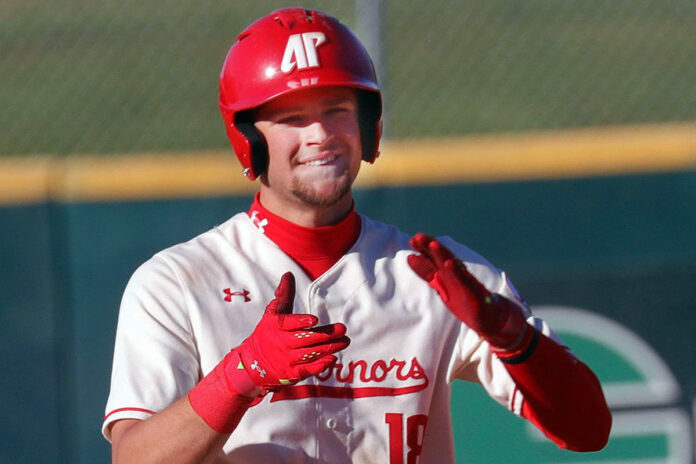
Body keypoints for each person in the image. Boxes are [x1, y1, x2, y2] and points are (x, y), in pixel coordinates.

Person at [103, 7, 611, 463]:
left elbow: (588, 431)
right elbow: (135, 459)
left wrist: (515, 340)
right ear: (249, 141)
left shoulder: (437, 275)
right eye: (291, 119)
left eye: (337, 112)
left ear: (369, 126)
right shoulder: (178, 282)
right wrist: (242, 374)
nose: (320, 136)